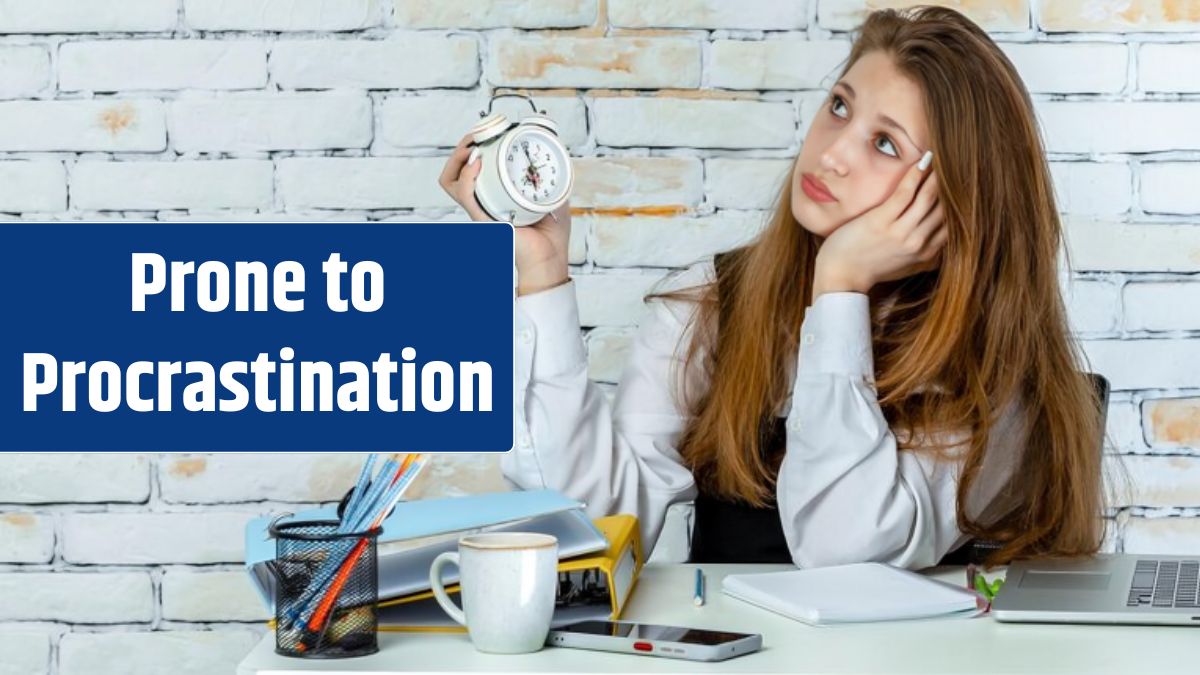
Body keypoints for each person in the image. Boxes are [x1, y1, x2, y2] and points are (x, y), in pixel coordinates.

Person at [439, 6, 1106, 569]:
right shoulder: (712, 300)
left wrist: (839, 286)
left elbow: (844, 553)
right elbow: (596, 519)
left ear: (955, 197)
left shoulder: (994, 368)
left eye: (885, 145)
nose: (833, 152)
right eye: (840, 107)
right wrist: (542, 272)